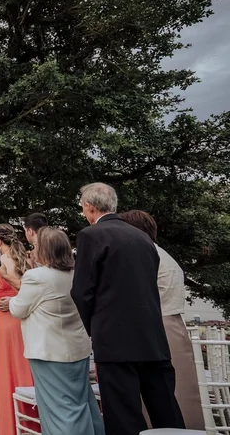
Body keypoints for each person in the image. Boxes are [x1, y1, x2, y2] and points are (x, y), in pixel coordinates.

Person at [71, 183, 184, 435]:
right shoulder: (143, 238)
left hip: (114, 339)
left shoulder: (91, 235)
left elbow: (82, 291)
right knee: (165, 408)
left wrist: (95, 328)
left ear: (89, 207)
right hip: (153, 337)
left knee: (123, 413)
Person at [8, 228, 104, 435]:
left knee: (58, 410)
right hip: (77, 349)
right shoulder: (77, 275)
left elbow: (18, 309)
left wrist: (11, 300)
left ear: (44, 250)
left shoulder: (36, 277)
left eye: (36, 246)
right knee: (83, 403)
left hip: (49, 352)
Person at [120, 210, 204, 430]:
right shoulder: (165, 255)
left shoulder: (145, 256)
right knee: (181, 389)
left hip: (155, 325)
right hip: (174, 325)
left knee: (158, 392)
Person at [0, 223, 35, 435]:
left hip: (3, 317)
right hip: (24, 317)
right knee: (25, 366)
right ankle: (31, 421)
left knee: (6, 368)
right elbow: (32, 290)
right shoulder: (26, 260)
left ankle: (9, 426)